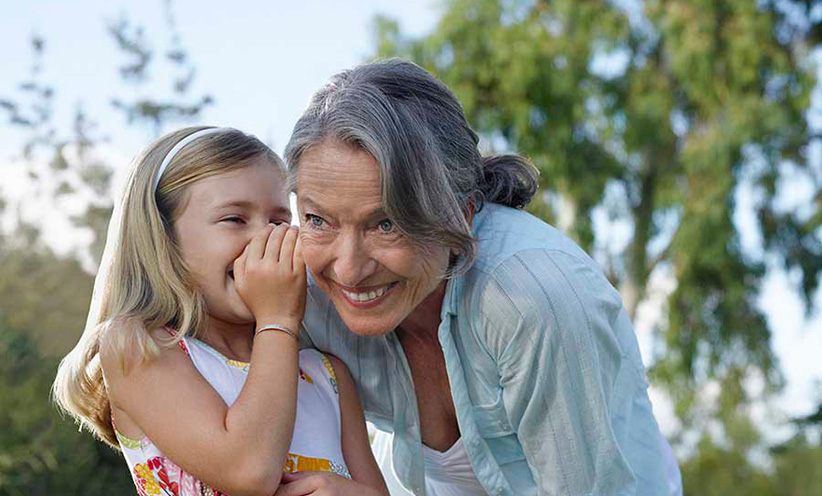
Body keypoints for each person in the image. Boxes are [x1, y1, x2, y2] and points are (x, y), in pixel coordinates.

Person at [284, 59, 681, 495]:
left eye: (387, 224)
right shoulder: (298, 292)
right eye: (318, 219)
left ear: (463, 213)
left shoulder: (532, 300)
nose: (348, 269)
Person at [53, 127, 388, 496]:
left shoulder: (327, 376)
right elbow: (249, 470)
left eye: (280, 222)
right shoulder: (138, 346)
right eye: (234, 219)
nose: (265, 239)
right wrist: (277, 319)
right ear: (165, 241)